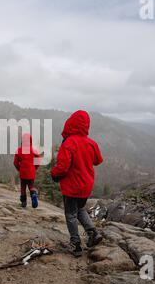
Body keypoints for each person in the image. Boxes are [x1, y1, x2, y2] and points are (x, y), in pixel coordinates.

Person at [51, 110, 103, 257]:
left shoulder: (69, 143)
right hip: (86, 186)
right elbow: (98, 160)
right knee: (80, 209)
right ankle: (93, 233)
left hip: (72, 187)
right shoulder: (91, 143)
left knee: (71, 214)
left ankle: (76, 244)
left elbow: (62, 166)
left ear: (70, 124)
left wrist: (54, 174)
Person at [14, 133, 40, 208]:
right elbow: (38, 160)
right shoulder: (34, 150)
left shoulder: (19, 150)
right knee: (31, 186)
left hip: (23, 173)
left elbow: (15, 162)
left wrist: (19, 169)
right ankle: (33, 194)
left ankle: (23, 202)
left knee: (23, 187)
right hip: (31, 172)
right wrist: (35, 168)